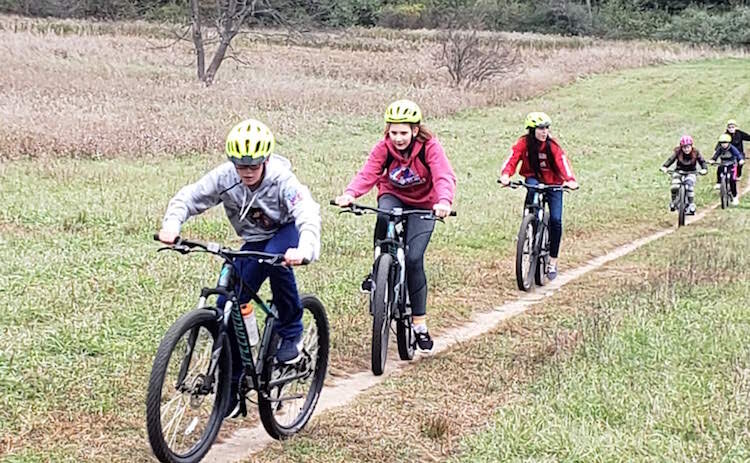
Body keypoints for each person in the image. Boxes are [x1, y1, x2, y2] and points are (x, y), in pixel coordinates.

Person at [157, 118, 321, 416]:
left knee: (277, 260)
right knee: (226, 305)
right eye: (240, 166)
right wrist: (171, 226)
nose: (246, 172)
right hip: (253, 240)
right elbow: (190, 197)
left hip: (286, 233)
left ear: (266, 160)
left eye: (253, 166)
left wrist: (305, 248)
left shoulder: (283, 180)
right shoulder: (224, 177)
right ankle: (232, 389)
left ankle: (292, 330)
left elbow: (306, 212)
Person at [334, 99, 457, 351]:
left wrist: (444, 201)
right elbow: (368, 172)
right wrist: (351, 194)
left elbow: (444, 175)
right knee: (383, 215)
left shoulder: (430, 147)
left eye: (403, 132)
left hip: (425, 204)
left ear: (414, 130)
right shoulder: (384, 147)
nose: (398, 138)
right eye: (393, 132)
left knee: (413, 260)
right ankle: (378, 267)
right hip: (393, 194)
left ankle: (419, 324)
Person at [498, 112, 578, 280]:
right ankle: (529, 224)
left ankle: (552, 260)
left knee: (556, 220)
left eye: (546, 128)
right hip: (534, 178)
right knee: (532, 189)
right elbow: (512, 158)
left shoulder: (552, 146)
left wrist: (570, 180)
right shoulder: (524, 143)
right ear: (532, 130)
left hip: (554, 183)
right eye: (540, 128)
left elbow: (563, 163)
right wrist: (506, 175)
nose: (544, 132)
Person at [660, 135, 707, 214]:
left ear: (691, 146)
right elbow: (671, 159)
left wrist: (704, 169)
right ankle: (673, 201)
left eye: (688, 147)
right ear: (681, 147)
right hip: (679, 171)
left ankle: (691, 204)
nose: (686, 149)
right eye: (684, 147)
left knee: (689, 187)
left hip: (691, 172)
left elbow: (702, 161)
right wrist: (665, 167)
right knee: (674, 186)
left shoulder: (696, 152)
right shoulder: (677, 152)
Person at [712, 132, 745, 206]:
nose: (724, 144)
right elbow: (716, 155)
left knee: (732, 180)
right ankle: (719, 182)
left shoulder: (732, 148)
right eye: (722, 143)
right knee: (719, 169)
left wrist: (740, 160)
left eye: (725, 142)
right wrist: (713, 160)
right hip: (723, 163)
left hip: (732, 164)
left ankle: (735, 196)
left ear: (729, 142)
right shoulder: (720, 149)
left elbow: (738, 154)